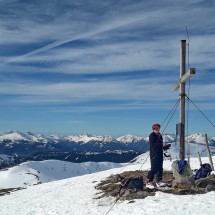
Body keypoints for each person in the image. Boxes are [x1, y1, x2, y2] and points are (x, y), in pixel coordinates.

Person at [146, 123, 170, 188]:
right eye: (156, 128)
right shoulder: (152, 135)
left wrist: (165, 147)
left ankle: (159, 181)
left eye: (158, 128)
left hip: (160, 154)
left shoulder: (160, 135)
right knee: (154, 169)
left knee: (160, 168)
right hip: (154, 154)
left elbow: (159, 146)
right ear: (153, 129)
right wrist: (162, 145)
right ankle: (148, 182)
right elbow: (154, 145)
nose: (157, 129)